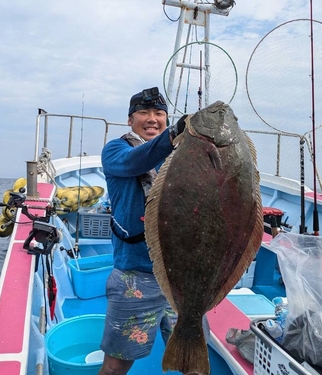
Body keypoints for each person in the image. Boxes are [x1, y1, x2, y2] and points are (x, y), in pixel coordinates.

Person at [99, 87, 186, 375]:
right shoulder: (115, 150)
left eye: (159, 113)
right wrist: (172, 135)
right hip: (136, 277)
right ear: (130, 119)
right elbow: (135, 161)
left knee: (193, 359)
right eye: (144, 113)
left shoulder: (182, 156)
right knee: (116, 365)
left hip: (181, 280)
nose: (152, 119)